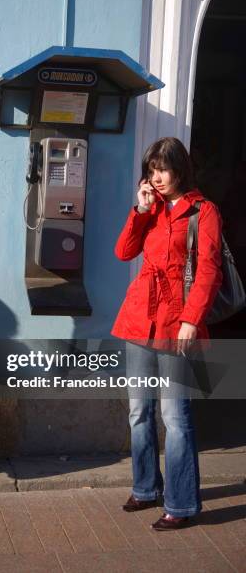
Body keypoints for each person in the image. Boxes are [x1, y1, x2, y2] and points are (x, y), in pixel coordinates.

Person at [111, 137, 222, 530]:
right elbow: (124, 252)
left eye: (163, 169)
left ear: (180, 169)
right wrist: (140, 210)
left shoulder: (202, 211)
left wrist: (193, 318)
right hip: (139, 320)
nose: (157, 177)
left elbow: (209, 269)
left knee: (176, 417)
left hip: (177, 323)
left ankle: (182, 503)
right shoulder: (151, 207)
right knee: (139, 411)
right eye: (152, 170)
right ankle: (145, 488)